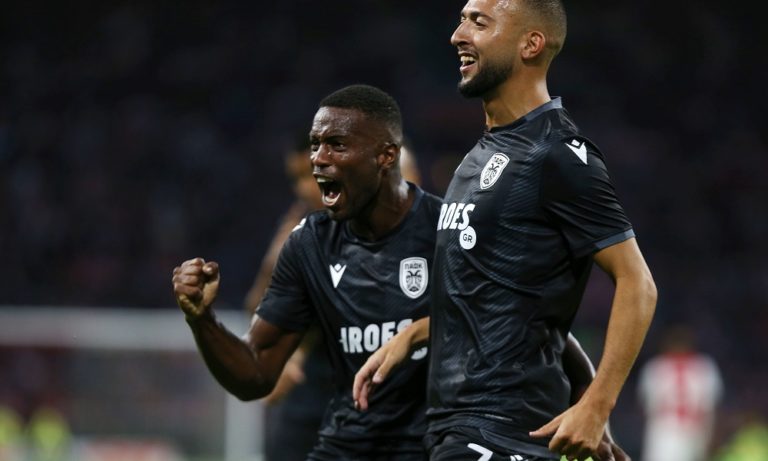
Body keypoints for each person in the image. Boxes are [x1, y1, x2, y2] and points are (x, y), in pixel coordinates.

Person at [172, 84, 626, 460]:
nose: (318, 160)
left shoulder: (451, 231)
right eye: (315, 145)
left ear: (386, 156)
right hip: (346, 445)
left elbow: (538, 332)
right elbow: (255, 375)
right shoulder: (308, 244)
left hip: (437, 446)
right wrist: (202, 320)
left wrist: (593, 413)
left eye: (337, 145)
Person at [354, 1, 657, 460]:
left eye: (479, 22)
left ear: (530, 44)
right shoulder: (478, 157)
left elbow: (638, 283)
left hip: (502, 432)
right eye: (462, 19)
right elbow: (527, 315)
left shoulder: (557, 152)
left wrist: (597, 406)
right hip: (455, 430)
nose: (458, 34)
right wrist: (416, 334)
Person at [245, 136, 426, 461]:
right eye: (300, 177)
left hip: (406, 402)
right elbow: (259, 308)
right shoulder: (302, 234)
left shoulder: (431, 235)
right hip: (319, 391)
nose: (305, 188)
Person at [637, 325, 723, 461]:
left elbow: (648, 407)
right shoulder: (705, 366)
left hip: (664, 433)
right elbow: (709, 409)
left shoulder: (654, 367)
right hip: (695, 431)